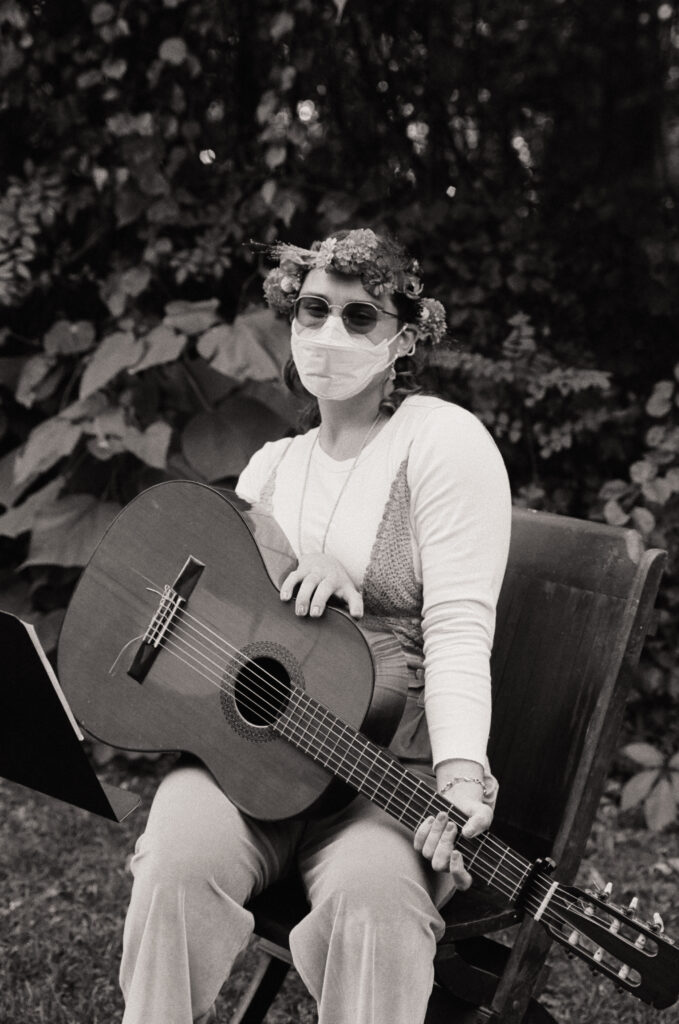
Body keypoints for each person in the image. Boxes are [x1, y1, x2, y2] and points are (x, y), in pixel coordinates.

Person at [119, 228, 512, 1024]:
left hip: (380, 769)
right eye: (313, 309)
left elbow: (458, 628)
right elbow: (227, 624)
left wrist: (460, 775)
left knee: (376, 901)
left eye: (359, 315)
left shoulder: (440, 441)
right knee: (173, 862)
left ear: (404, 340)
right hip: (255, 758)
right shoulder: (272, 465)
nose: (330, 331)